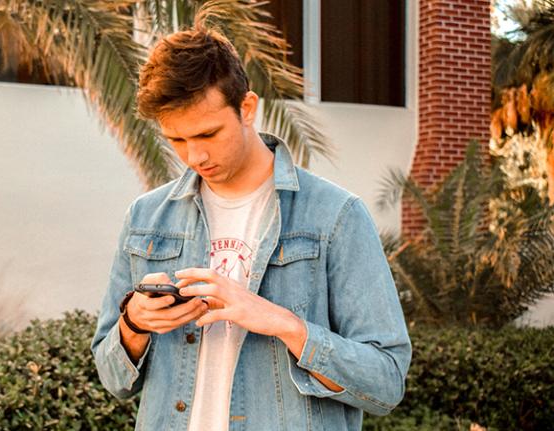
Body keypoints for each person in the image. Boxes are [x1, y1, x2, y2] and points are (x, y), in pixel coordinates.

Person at [90, 24, 412, 431]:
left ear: (247, 108)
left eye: (208, 133)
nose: (195, 155)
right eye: (177, 139)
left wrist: (283, 324)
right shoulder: (146, 217)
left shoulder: (336, 216)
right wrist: (134, 323)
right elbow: (112, 378)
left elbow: (385, 381)